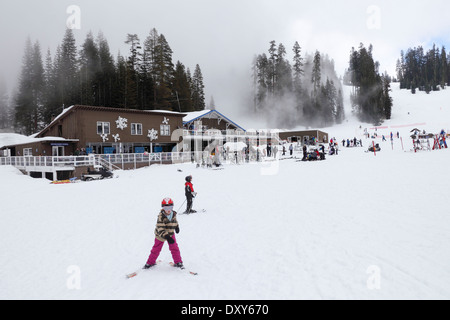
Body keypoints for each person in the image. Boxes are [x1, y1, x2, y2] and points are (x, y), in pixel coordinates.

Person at [144, 198, 183, 269]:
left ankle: (178, 262)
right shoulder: (161, 217)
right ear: (163, 208)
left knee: (174, 248)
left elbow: (175, 221)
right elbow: (160, 228)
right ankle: (150, 263)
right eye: (166, 208)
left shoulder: (173, 214)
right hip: (160, 235)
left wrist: (177, 227)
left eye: (170, 207)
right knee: (156, 249)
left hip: (170, 233)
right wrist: (167, 237)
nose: (168, 210)